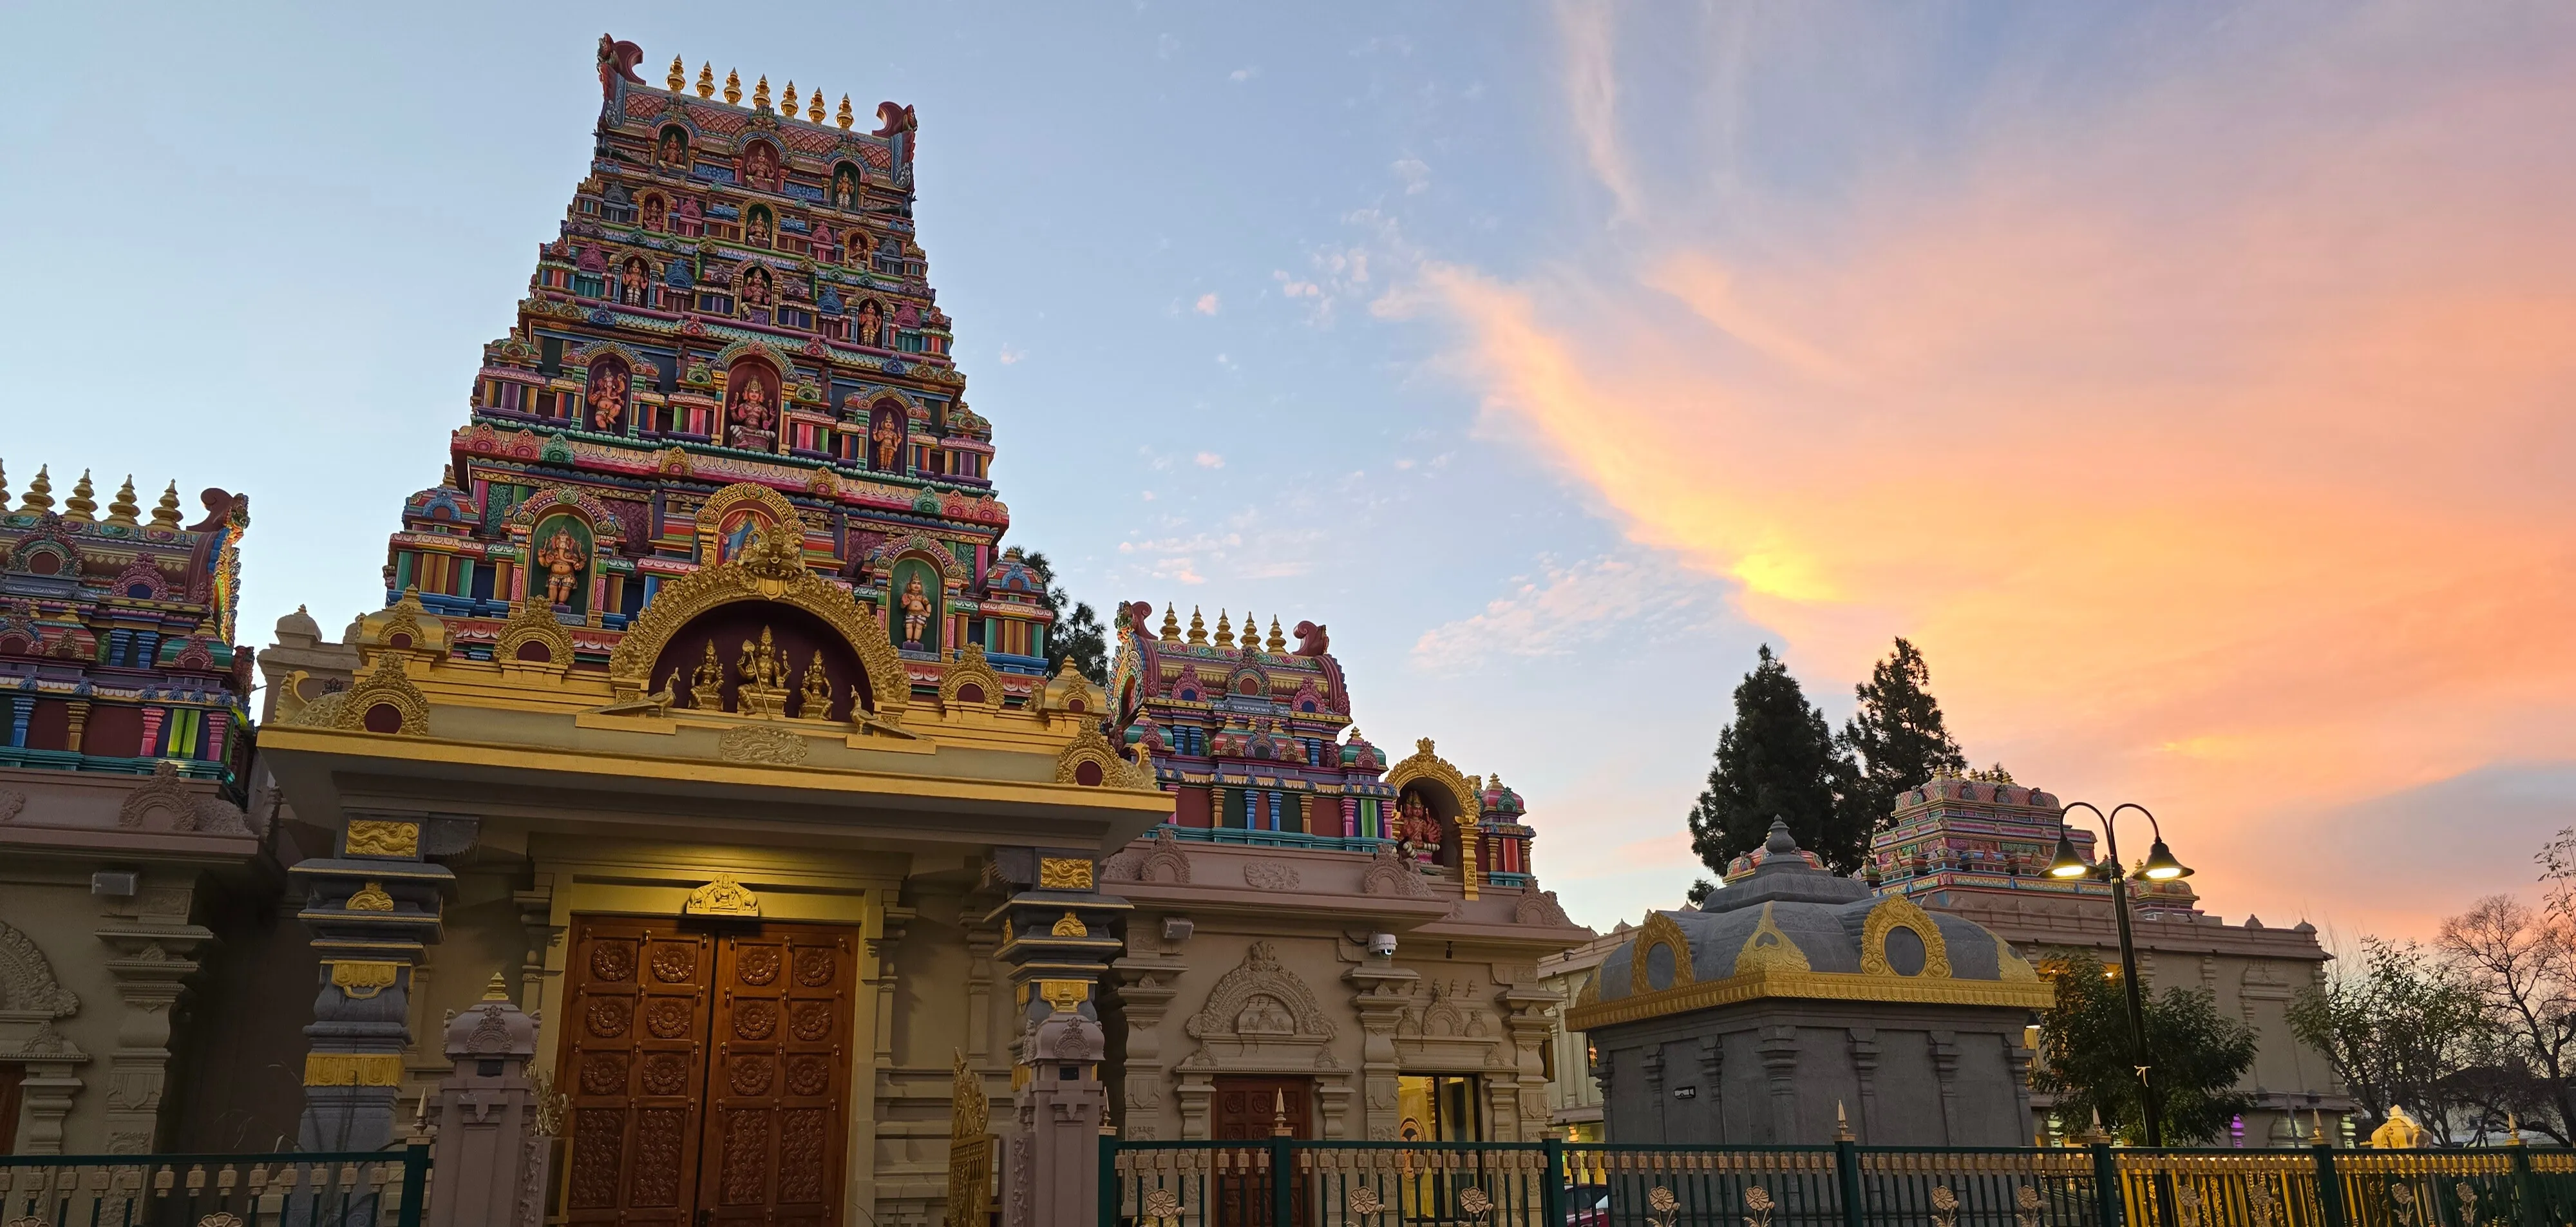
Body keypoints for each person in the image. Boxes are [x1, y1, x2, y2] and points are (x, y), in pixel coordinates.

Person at [536, 527, 583, 607]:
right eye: (560, 539)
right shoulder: (552, 553)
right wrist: (541, 556)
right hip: (554, 574)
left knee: (566, 588)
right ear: (555, 541)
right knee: (552, 587)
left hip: (568, 575)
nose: (563, 542)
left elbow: (577, 565)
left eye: (566, 539)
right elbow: (545, 564)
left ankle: (561, 604)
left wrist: (579, 564)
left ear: (570, 542)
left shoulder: (571, 555)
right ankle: (551, 603)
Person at [900, 575, 933, 647]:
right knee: (908, 626)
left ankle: (916, 641)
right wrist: (904, 603)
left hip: (921, 613)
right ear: (909, 585)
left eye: (918, 584)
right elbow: (902, 606)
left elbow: (928, 604)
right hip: (910, 613)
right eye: (914, 583)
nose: (916, 585)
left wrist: (928, 613)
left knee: (919, 627)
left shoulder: (922, 596)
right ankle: (908, 640)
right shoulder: (908, 595)